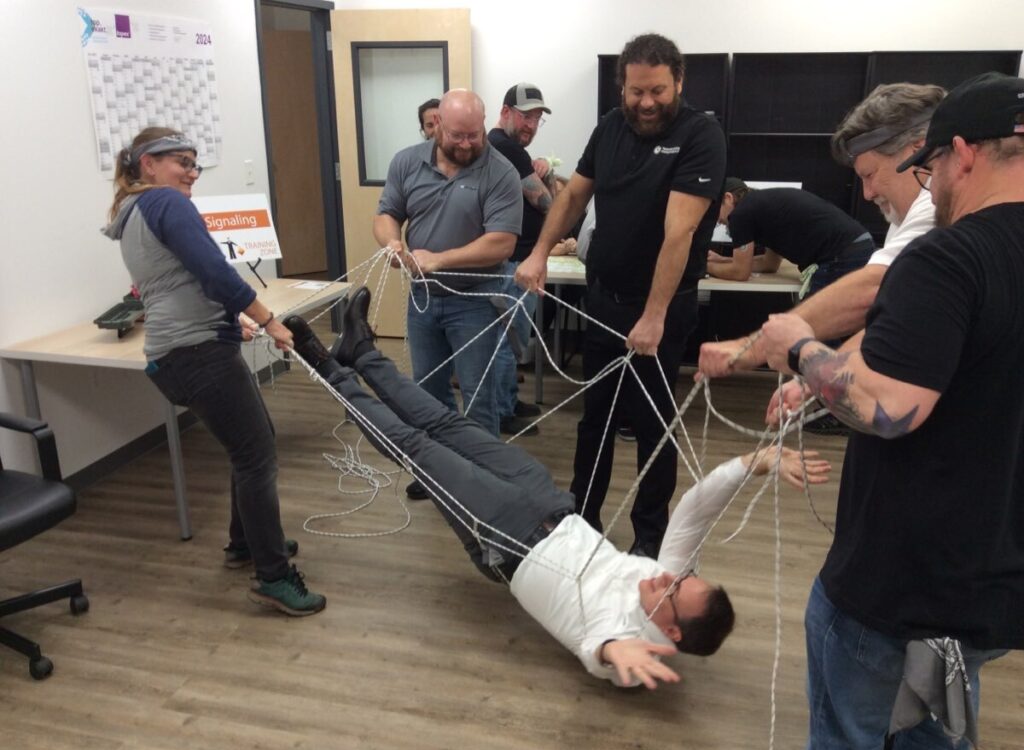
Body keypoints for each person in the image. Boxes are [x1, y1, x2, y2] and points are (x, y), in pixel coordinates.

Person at [285, 287, 832, 687]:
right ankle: (363, 351)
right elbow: (693, 510)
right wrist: (753, 462)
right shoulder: (666, 581)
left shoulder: (628, 639)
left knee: (415, 447)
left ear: (671, 633)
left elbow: (595, 647)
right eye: (680, 577)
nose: (665, 575)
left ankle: (324, 367)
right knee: (446, 425)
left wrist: (614, 653)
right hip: (547, 501)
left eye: (670, 590)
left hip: (509, 538)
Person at [759, 72, 1024, 750]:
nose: (932, 188)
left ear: (961, 152)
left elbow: (889, 408)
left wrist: (800, 348)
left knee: (847, 745)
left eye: (932, 169)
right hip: (987, 588)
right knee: (935, 745)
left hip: (896, 589)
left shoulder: (948, 255)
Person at [516, 34, 727, 558]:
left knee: (653, 424)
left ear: (678, 82)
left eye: (657, 90)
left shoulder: (700, 135)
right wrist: (539, 252)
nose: (646, 102)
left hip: (661, 308)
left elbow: (679, 232)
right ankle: (582, 518)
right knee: (597, 419)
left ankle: (649, 538)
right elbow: (573, 196)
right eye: (636, 92)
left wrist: (654, 315)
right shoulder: (610, 127)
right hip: (604, 300)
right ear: (622, 88)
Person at [102, 127, 325, 616]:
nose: (191, 172)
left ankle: (245, 543)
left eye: (194, 163)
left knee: (252, 445)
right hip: (195, 354)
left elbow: (177, 280)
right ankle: (273, 577)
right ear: (148, 164)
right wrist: (267, 319)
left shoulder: (134, 210)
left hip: (182, 352)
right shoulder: (164, 202)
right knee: (256, 456)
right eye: (180, 161)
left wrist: (230, 319)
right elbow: (213, 271)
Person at [698, 82, 945, 380]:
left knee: (820, 339)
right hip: (851, 249)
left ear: (918, 151)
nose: (867, 194)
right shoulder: (903, 216)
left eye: (870, 174)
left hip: (840, 256)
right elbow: (882, 316)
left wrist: (748, 349)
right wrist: (816, 378)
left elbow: (872, 289)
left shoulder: (935, 208)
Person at [375, 89, 523, 501]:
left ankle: (482, 485)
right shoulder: (407, 161)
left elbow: (502, 243)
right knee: (427, 391)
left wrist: (439, 259)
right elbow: (387, 214)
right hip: (424, 299)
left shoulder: (501, 172)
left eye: (475, 134)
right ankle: (437, 473)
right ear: (437, 124)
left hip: (477, 300)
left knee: (479, 396)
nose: (467, 144)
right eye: (458, 135)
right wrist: (392, 243)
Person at [488, 82, 554, 435]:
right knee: (507, 341)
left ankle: (508, 401)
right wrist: (548, 176)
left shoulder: (504, 148)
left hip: (515, 262)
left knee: (510, 340)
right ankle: (501, 412)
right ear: (505, 112)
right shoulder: (506, 148)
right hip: (513, 266)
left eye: (537, 118)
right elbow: (547, 203)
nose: (531, 124)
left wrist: (541, 169)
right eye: (525, 116)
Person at [706, 181, 875, 297]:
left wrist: (703, 266)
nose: (718, 220)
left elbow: (740, 273)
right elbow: (769, 265)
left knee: (817, 326)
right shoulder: (763, 208)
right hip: (858, 246)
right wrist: (724, 260)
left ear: (728, 198)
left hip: (840, 254)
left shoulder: (740, 214)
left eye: (714, 209)